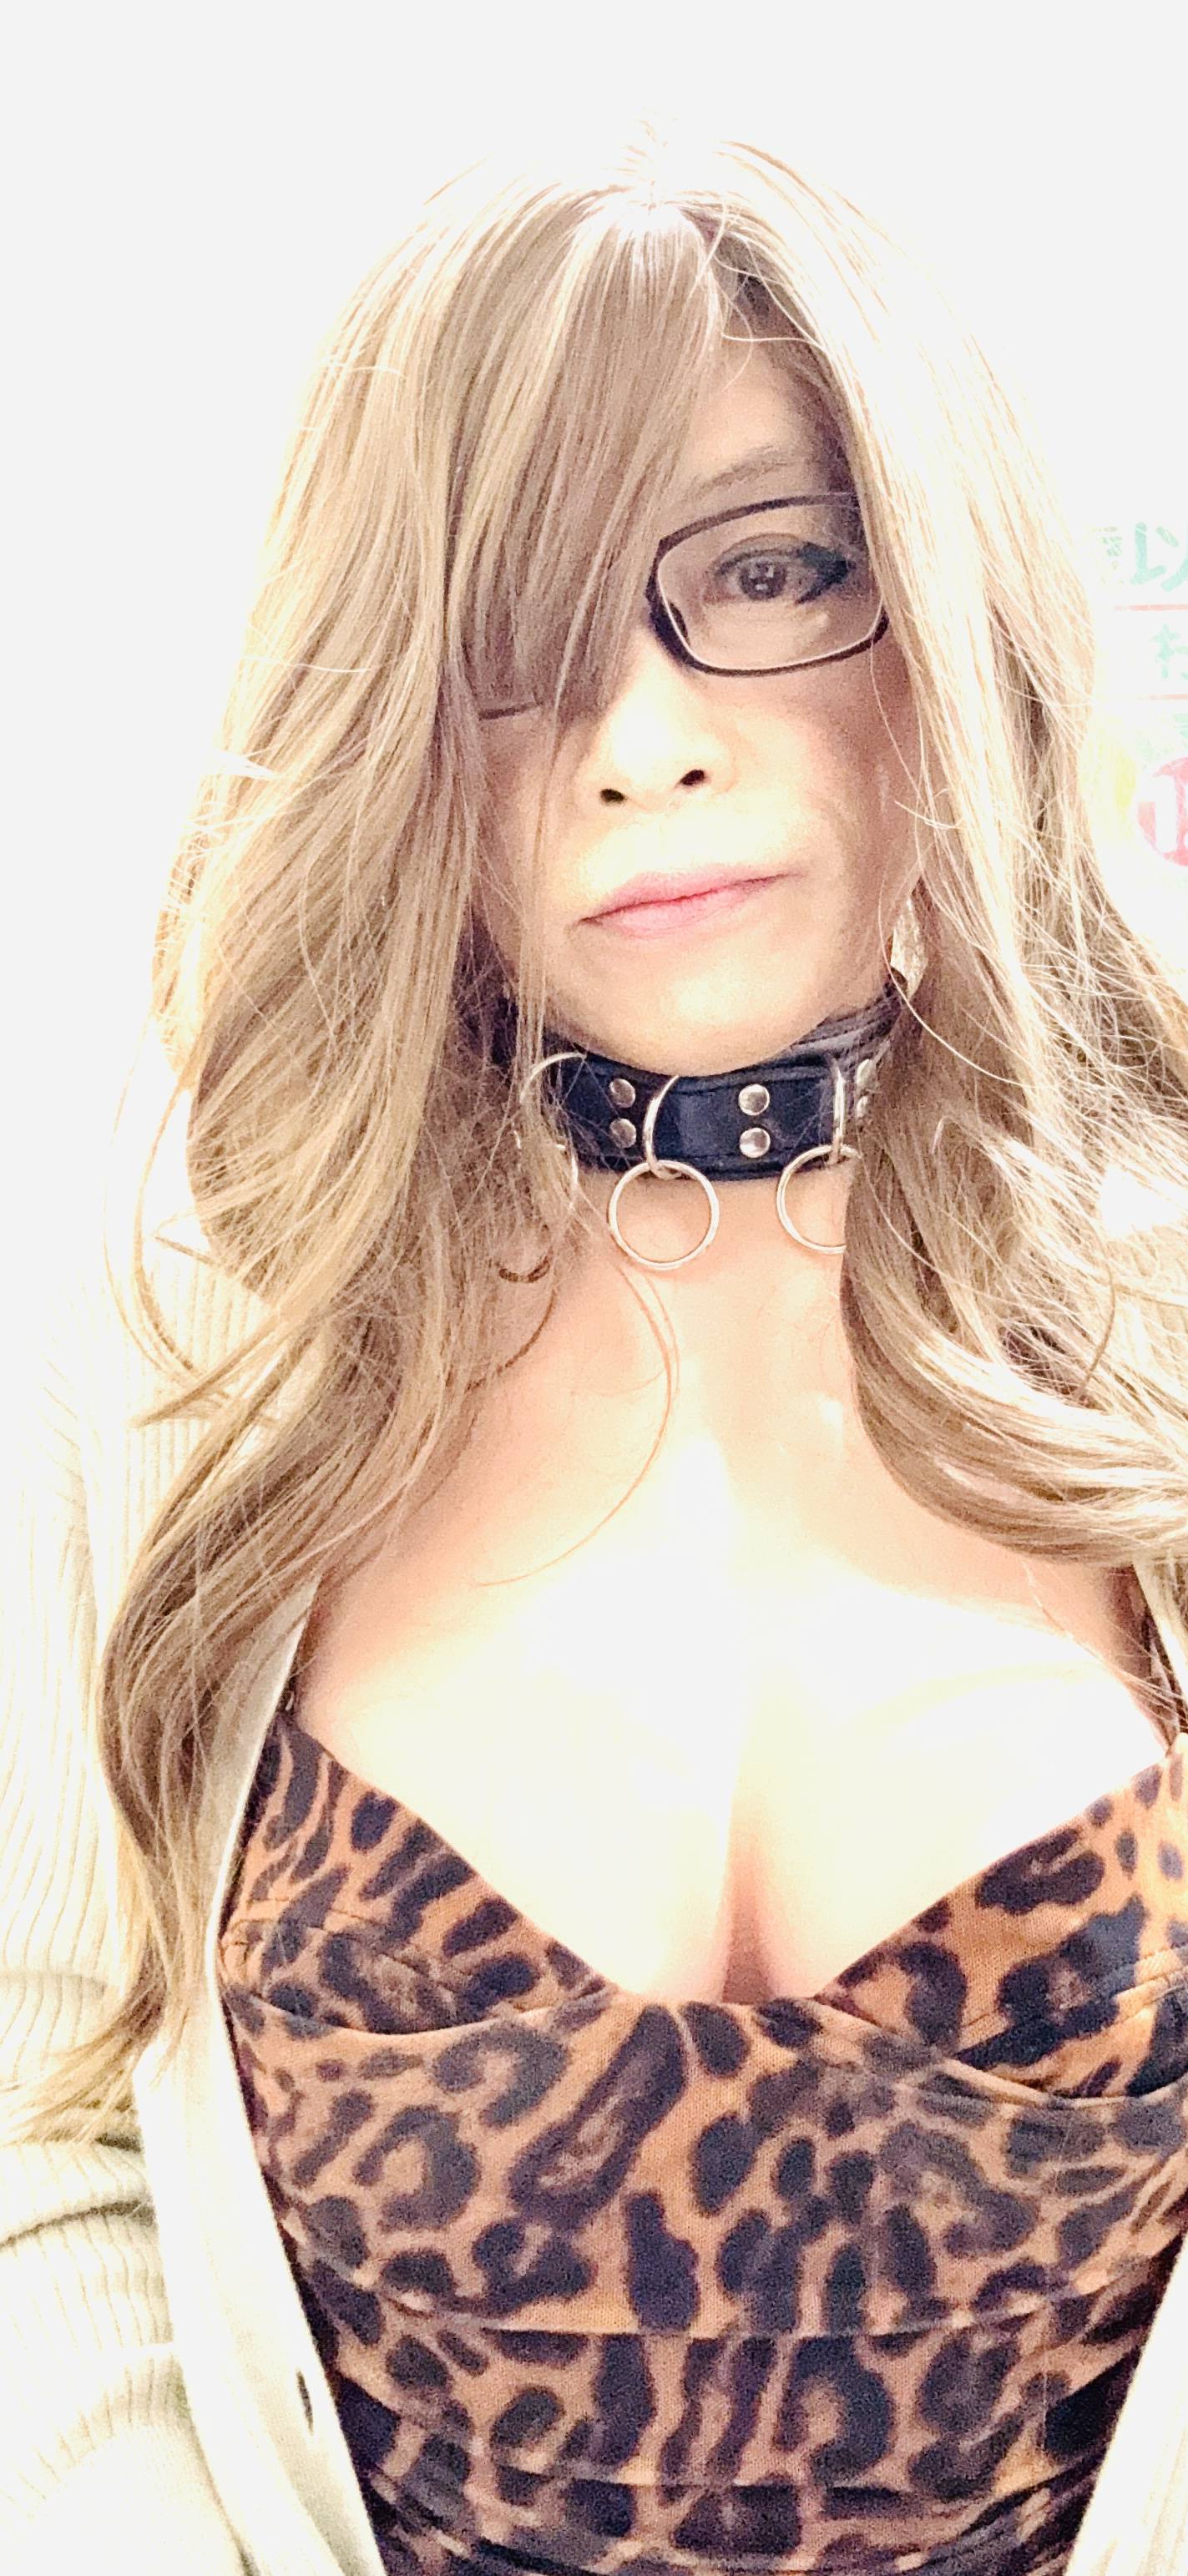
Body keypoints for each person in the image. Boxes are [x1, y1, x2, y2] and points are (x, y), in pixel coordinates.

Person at [4, 114, 1188, 2576]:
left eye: (770, 572)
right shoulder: (172, 1360)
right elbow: (51, 2142)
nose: (644, 735)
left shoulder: (1163, 1314)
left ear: (944, 601)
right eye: (517, 636)